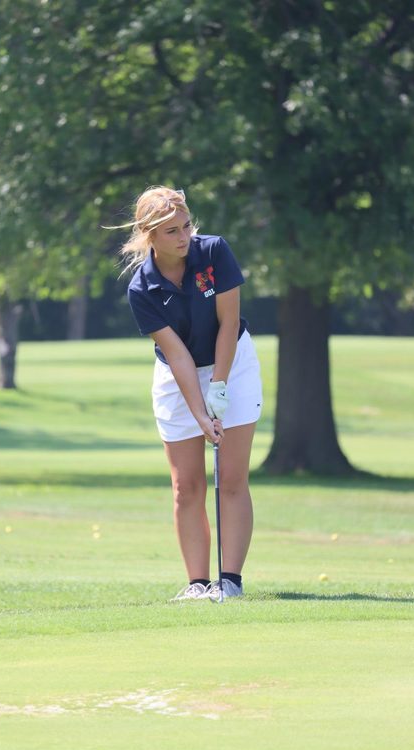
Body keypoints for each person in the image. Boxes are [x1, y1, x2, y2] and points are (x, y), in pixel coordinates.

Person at [115, 186, 262, 601]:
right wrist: (201, 414)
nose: (184, 237)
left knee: (231, 478)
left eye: (186, 226)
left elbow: (228, 325)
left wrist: (219, 384)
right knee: (186, 486)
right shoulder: (142, 288)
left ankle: (229, 582)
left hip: (233, 361)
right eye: (171, 232)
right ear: (150, 236)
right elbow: (177, 356)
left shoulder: (214, 253)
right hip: (176, 377)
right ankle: (198, 584)